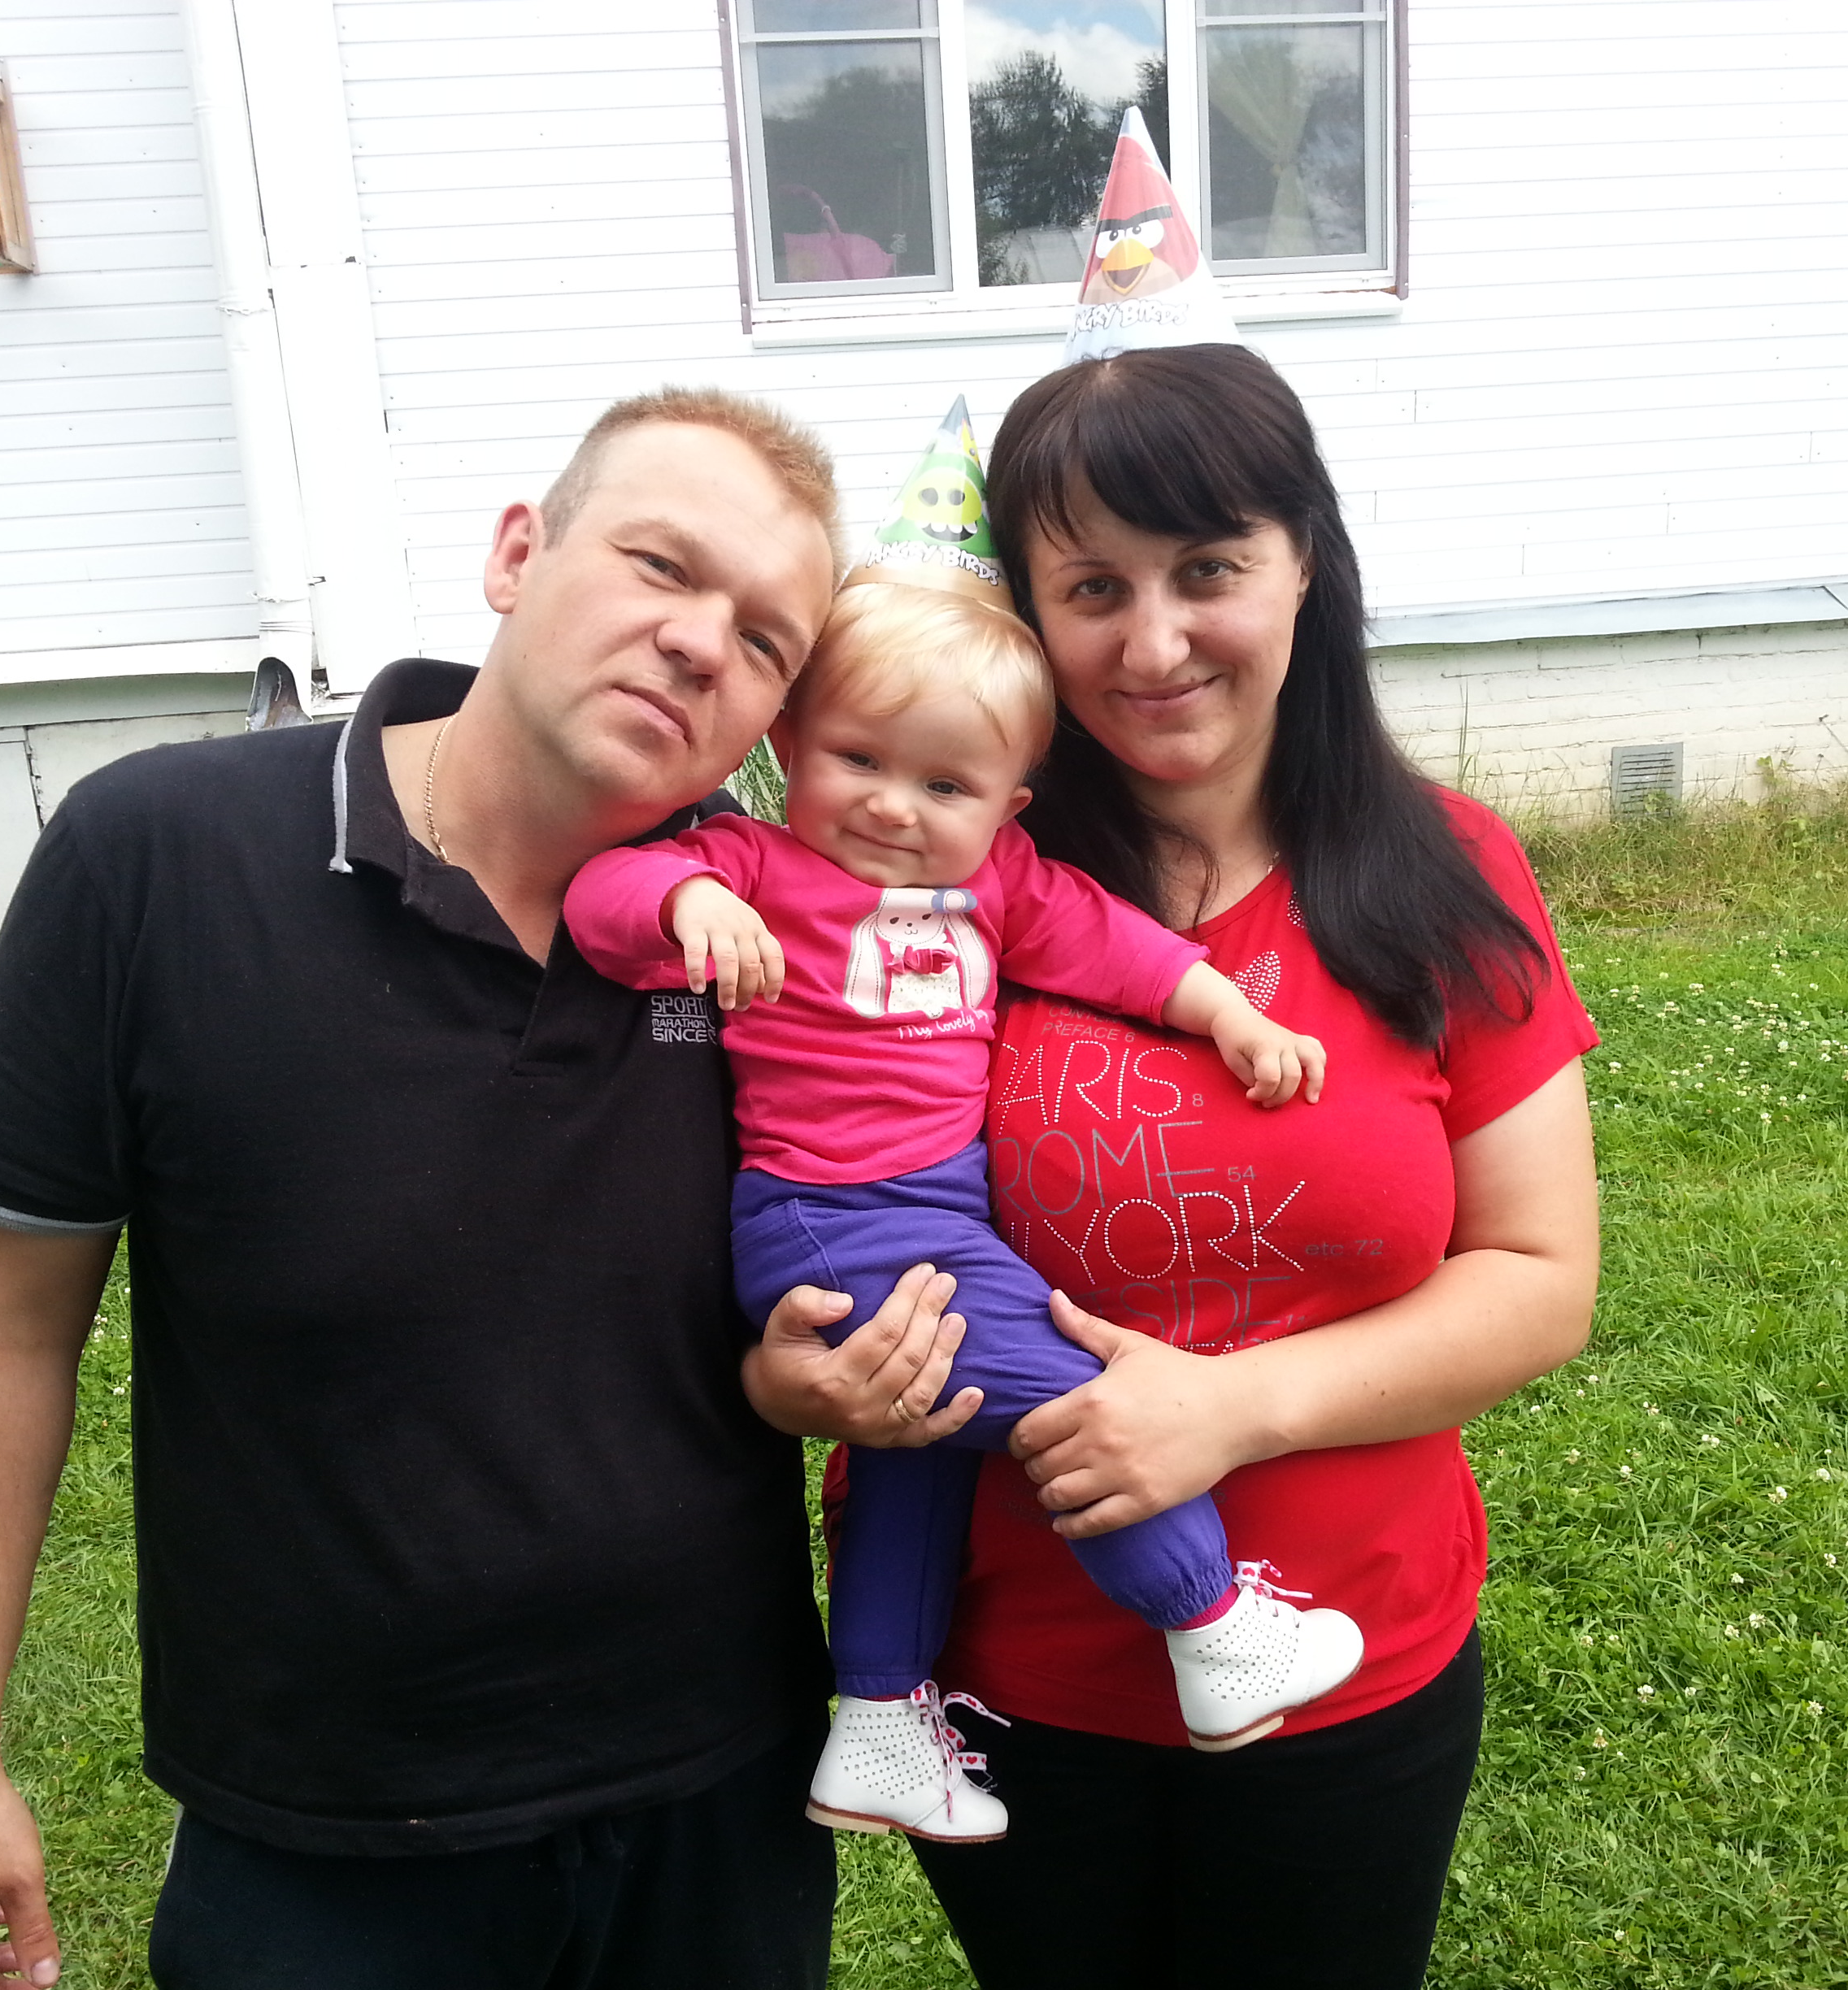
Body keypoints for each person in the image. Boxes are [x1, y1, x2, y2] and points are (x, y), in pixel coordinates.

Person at [0, 386, 980, 1990]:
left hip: (718, 1802)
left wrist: (799, 1377)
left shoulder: (787, 934)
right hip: (327, 1832)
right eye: (661, 565)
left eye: (764, 641)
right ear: (518, 554)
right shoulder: (161, 858)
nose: (699, 644)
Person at [902, 342, 1604, 1990]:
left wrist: (1232, 1411)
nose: (1153, 644)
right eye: (1093, 587)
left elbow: (1539, 1277)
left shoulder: (1447, 871)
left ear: (1304, 566)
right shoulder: (946, 888)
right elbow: (820, 1182)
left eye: (1208, 568)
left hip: (1350, 1667)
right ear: (1029, 613)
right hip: (1020, 1675)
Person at [563, 515, 1357, 1844]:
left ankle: (877, 1723)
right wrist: (682, 905)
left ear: (1007, 808)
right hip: (829, 1223)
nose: (892, 805)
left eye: (945, 785)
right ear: (786, 747)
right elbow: (604, 899)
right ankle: (1217, 1628)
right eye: (858, 760)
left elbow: (1114, 946)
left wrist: (1229, 1011)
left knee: (915, 1458)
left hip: (927, 1219)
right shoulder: (753, 866)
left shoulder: (1000, 886)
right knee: (1088, 1404)